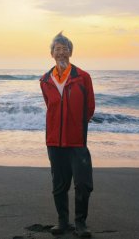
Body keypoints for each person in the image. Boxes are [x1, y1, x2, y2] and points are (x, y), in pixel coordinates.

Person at [40, 31, 95, 237]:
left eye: (65, 49)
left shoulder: (83, 77)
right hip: (54, 141)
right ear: (52, 54)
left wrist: (76, 127)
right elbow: (50, 107)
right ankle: (62, 222)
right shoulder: (45, 80)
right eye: (57, 49)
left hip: (77, 140)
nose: (61, 53)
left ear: (71, 52)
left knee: (83, 184)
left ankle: (80, 224)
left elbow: (90, 108)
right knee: (59, 184)